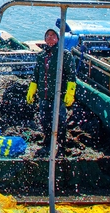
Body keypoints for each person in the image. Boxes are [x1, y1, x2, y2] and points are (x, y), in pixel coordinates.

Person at [26, 28, 76, 156]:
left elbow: (71, 75)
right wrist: (32, 90)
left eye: (53, 35)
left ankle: (61, 143)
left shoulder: (64, 55)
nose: (50, 37)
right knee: (44, 119)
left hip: (58, 94)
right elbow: (36, 75)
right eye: (47, 35)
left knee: (59, 120)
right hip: (44, 95)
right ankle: (47, 140)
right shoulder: (41, 56)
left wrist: (70, 93)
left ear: (58, 39)